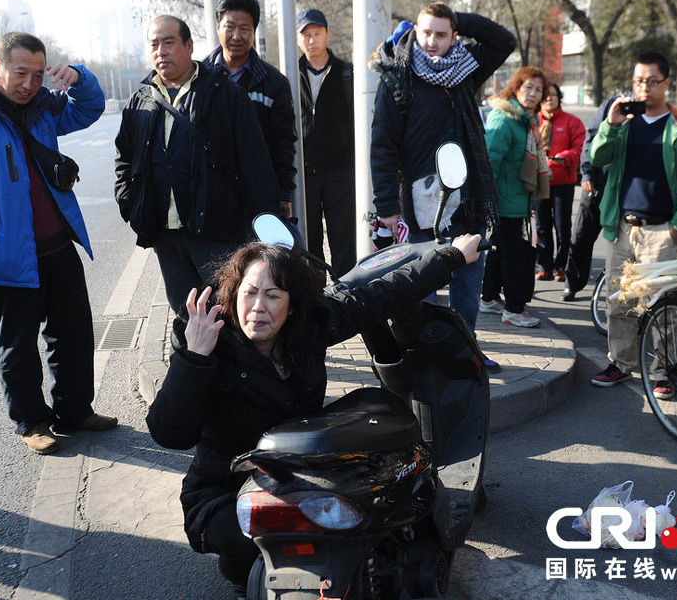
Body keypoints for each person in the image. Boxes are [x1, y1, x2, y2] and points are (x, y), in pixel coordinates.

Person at [145, 231, 482, 595]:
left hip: (302, 472)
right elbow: (169, 433)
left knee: (376, 416)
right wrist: (194, 358)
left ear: (291, 305)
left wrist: (450, 258)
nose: (258, 306)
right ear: (233, 296)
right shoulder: (211, 344)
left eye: (273, 295)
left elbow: (378, 295)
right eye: (250, 293)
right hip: (227, 491)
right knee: (262, 547)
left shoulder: (311, 325)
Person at [0, 31, 116, 455]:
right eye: (21, 73)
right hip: (8, 255)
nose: (29, 84)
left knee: (73, 334)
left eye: (38, 75)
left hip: (57, 244)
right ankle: (32, 422)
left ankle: (75, 411)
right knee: (18, 345)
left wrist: (77, 77)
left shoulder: (43, 105)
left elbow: (88, 109)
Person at [115, 15, 280, 315]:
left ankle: (234, 363)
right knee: (185, 312)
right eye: (154, 45)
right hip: (165, 235)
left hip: (217, 232)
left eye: (168, 43)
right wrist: (131, 205)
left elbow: (254, 162)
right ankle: (194, 361)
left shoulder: (223, 94)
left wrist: (263, 220)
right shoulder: (140, 100)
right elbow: (124, 159)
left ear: (189, 45)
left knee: (227, 311)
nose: (161, 51)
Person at [369, 2, 515, 340]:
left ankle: (465, 351)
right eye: (426, 32)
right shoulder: (396, 75)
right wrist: (387, 206)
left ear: (454, 36)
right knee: (423, 285)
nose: (432, 40)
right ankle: (425, 358)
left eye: (441, 33)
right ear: (415, 31)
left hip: (470, 197)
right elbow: (383, 145)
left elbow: (503, 41)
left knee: (468, 283)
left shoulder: (465, 68)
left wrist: (459, 18)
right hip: (423, 201)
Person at [589, 52, 677, 394]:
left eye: (651, 81)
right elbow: (597, 158)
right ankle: (621, 363)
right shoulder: (625, 124)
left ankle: (663, 370)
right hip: (623, 227)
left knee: (663, 306)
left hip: (661, 230)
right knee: (619, 301)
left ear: (666, 83)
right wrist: (610, 125)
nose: (643, 88)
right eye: (638, 81)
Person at [204, 0, 297, 219]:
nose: (237, 35)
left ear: (253, 31)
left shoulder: (273, 82)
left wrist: (284, 194)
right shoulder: (200, 77)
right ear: (218, 27)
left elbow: (283, 142)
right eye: (230, 26)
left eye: (244, 29)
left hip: (258, 194)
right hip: (212, 195)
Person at [479, 66, 551, 328]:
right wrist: (490, 202)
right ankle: (513, 310)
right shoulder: (505, 119)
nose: (532, 94)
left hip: (516, 200)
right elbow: (490, 163)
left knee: (500, 252)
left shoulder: (526, 120)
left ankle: (488, 298)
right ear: (516, 88)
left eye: (538, 90)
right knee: (513, 255)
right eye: (527, 87)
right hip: (506, 202)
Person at [297, 9, 356, 278]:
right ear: (299, 39)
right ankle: (315, 292)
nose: (311, 40)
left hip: (340, 171)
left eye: (316, 33)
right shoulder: (289, 74)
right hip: (304, 171)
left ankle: (345, 292)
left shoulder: (347, 73)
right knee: (308, 239)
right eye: (306, 34)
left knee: (343, 236)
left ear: (327, 35)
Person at [562, 96, 615, 301]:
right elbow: (591, 139)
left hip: (624, 190)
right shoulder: (613, 104)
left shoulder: (654, 111)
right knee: (581, 236)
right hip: (597, 184)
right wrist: (587, 173)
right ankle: (572, 284)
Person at [535, 82, 585, 282]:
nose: (549, 98)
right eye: (546, 95)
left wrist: (564, 156)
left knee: (562, 226)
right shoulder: (531, 120)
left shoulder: (572, 121)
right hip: (539, 181)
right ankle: (544, 266)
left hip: (563, 181)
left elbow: (580, 147)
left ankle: (561, 266)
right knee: (541, 226)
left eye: (553, 95)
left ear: (559, 98)